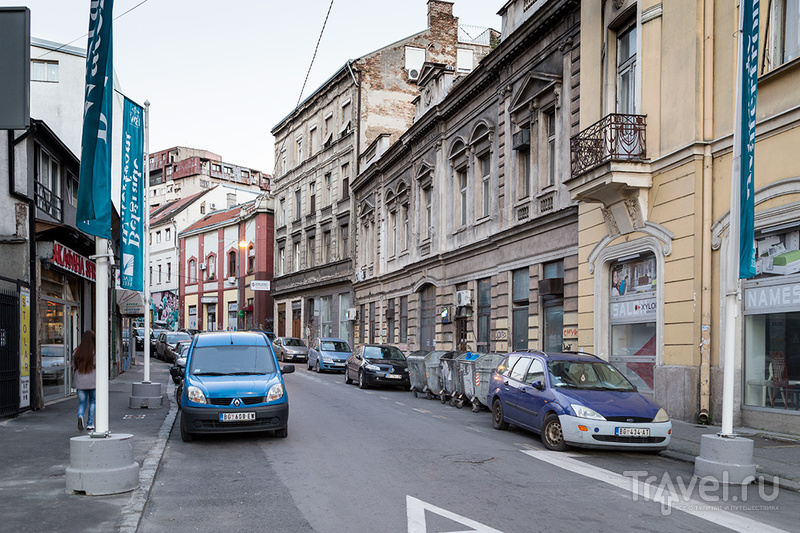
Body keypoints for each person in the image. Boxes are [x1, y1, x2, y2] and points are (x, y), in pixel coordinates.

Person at [72, 330, 96, 431]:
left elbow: (74, 366)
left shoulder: (77, 351)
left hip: (80, 381)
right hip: (93, 381)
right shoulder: (95, 352)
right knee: (92, 402)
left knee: (82, 403)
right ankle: (90, 423)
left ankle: (80, 415)